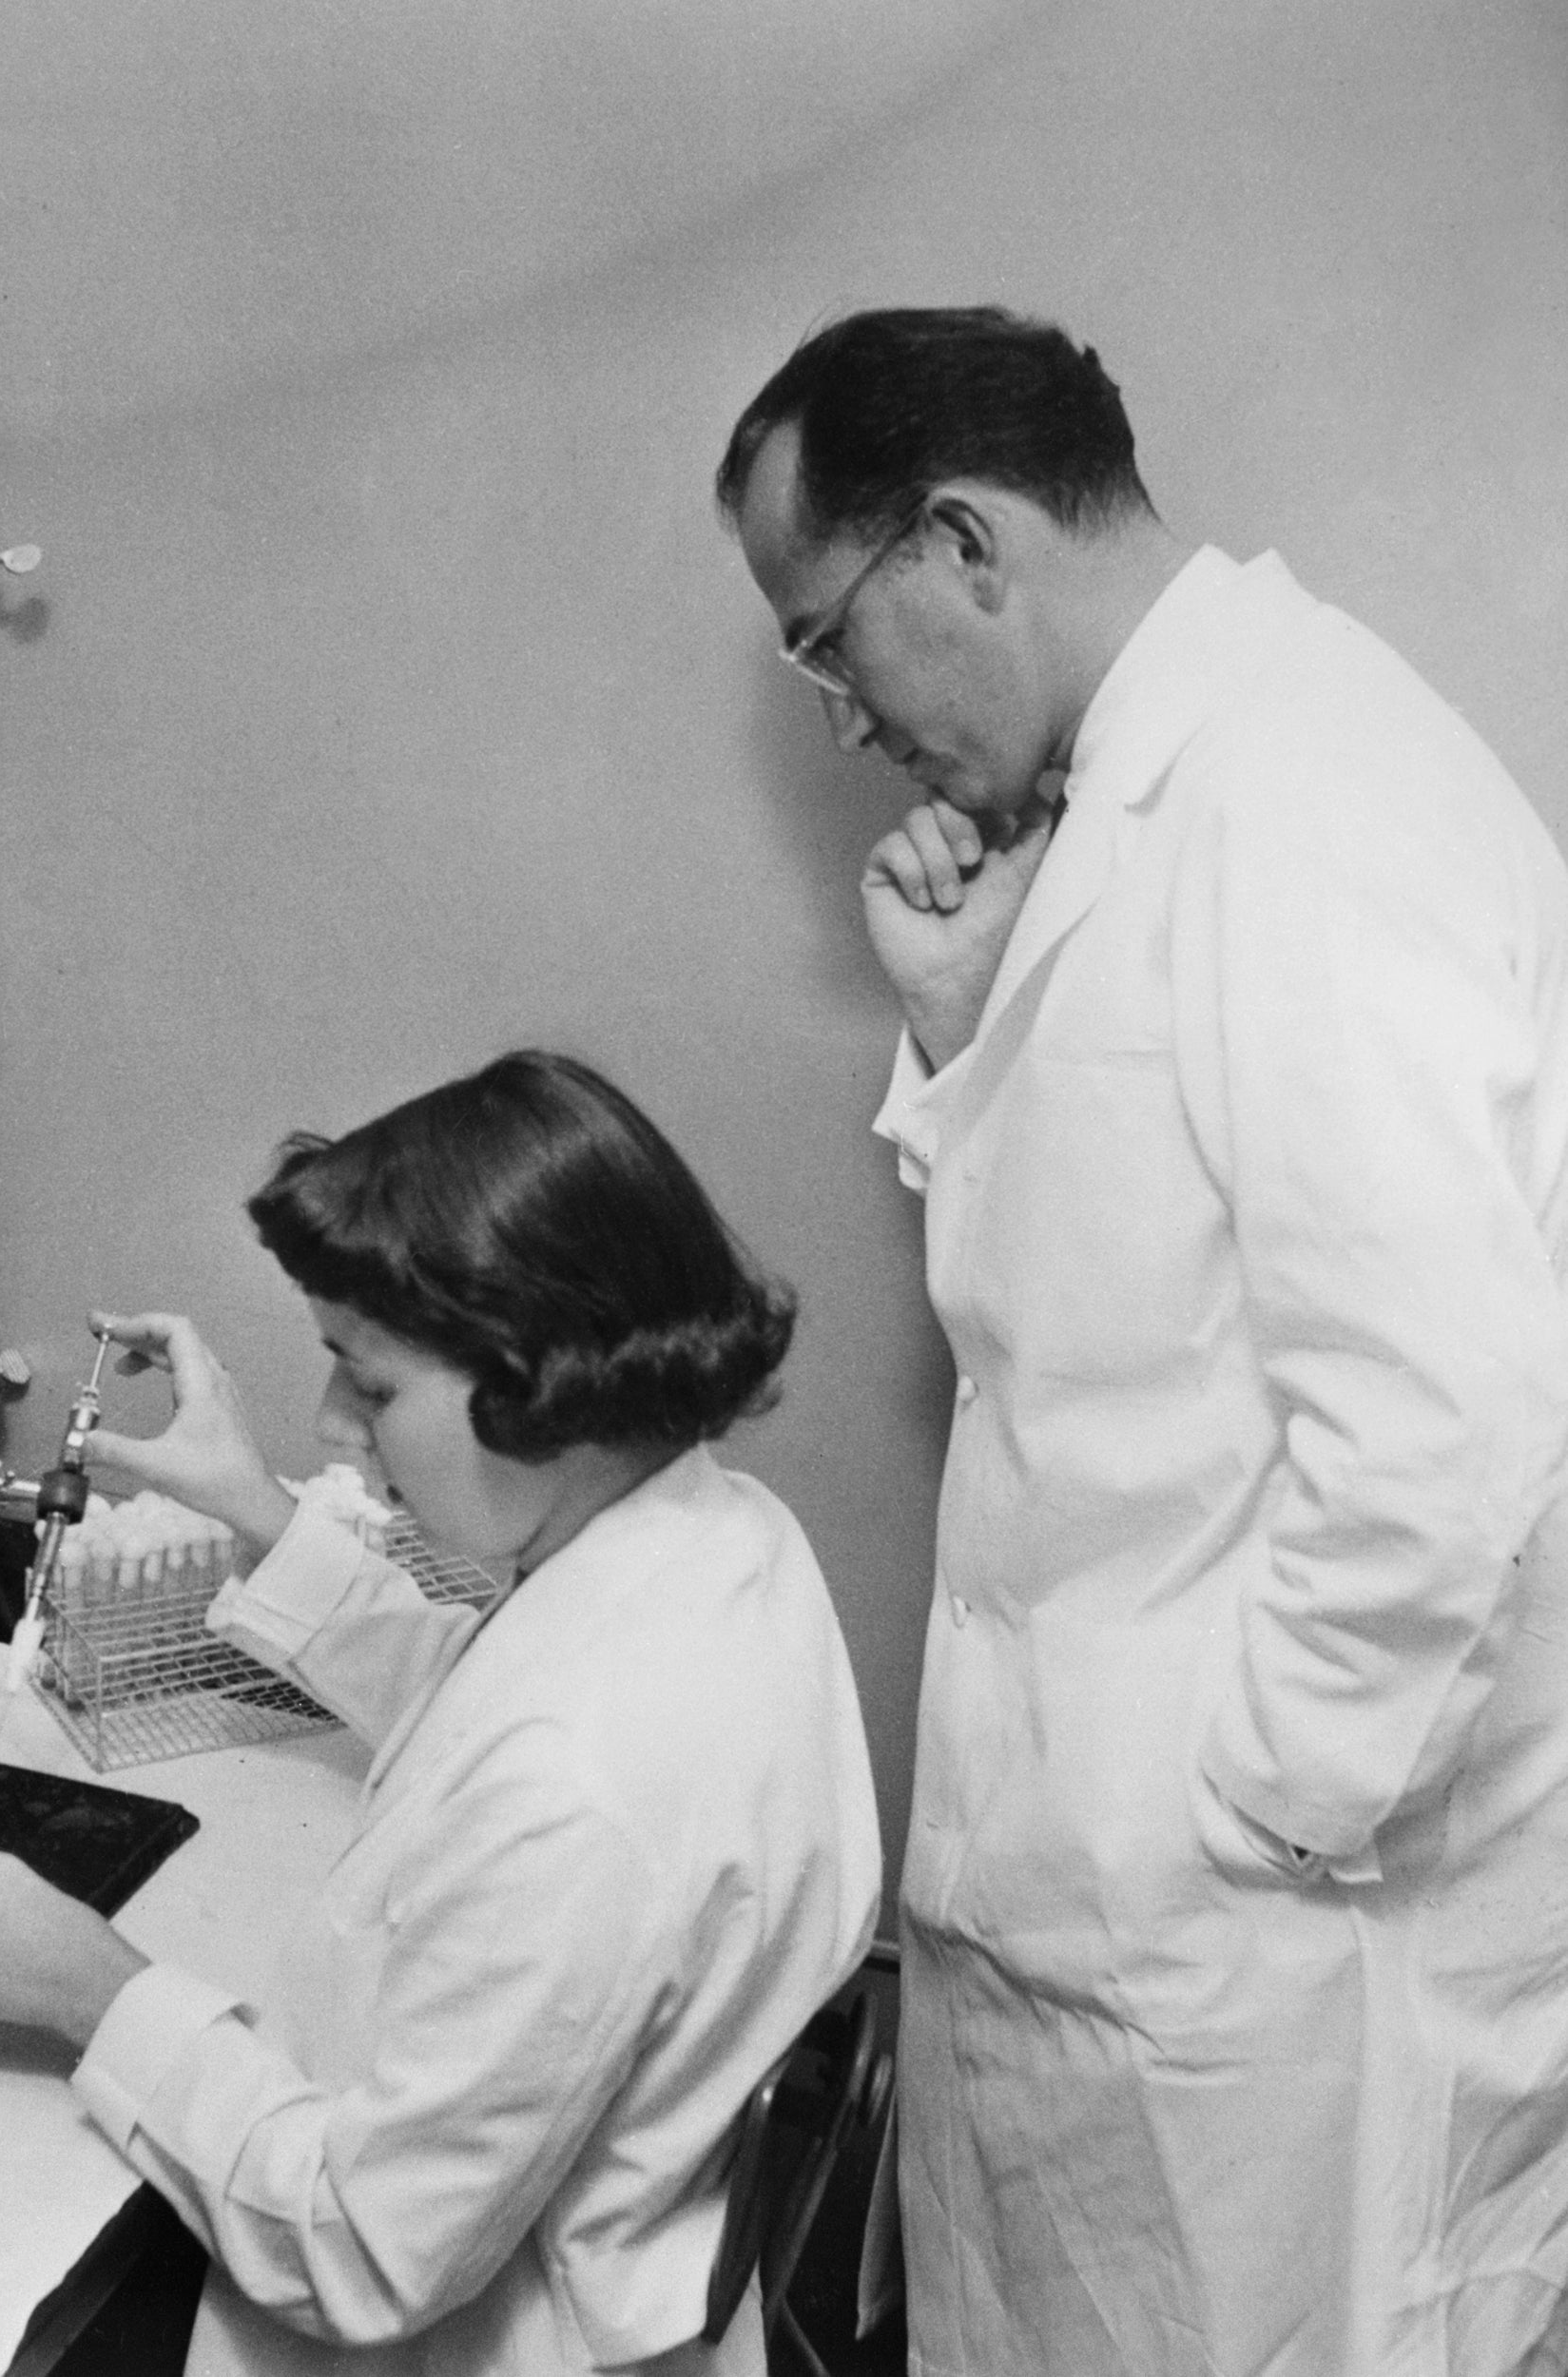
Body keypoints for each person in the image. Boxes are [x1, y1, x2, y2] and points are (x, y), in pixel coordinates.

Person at [714, 305, 1568, 2376]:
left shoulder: (1298, 804)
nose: (836, 718)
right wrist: (958, 1025)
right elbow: (1119, 1292)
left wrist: (1262, 1810)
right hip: (1114, 1927)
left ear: (960, 544)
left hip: (1256, 1960)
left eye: (823, 637)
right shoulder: (1142, 801)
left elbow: (1450, 1421)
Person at [0, 1049, 881, 2377]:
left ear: (537, 1376)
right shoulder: (719, 1537)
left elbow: (362, 2252)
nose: (332, 1426)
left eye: (369, 1385)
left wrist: (97, 1994)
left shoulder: (581, 1792)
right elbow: (491, 1701)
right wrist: (255, 1514)